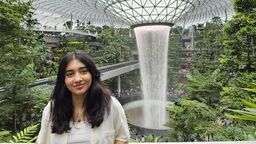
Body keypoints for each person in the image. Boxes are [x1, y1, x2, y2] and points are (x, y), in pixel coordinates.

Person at [36, 51, 130, 144]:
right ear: (63, 80)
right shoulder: (52, 109)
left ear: (92, 74)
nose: (78, 79)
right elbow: (41, 140)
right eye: (70, 74)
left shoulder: (111, 105)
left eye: (83, 71)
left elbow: (121, 139)